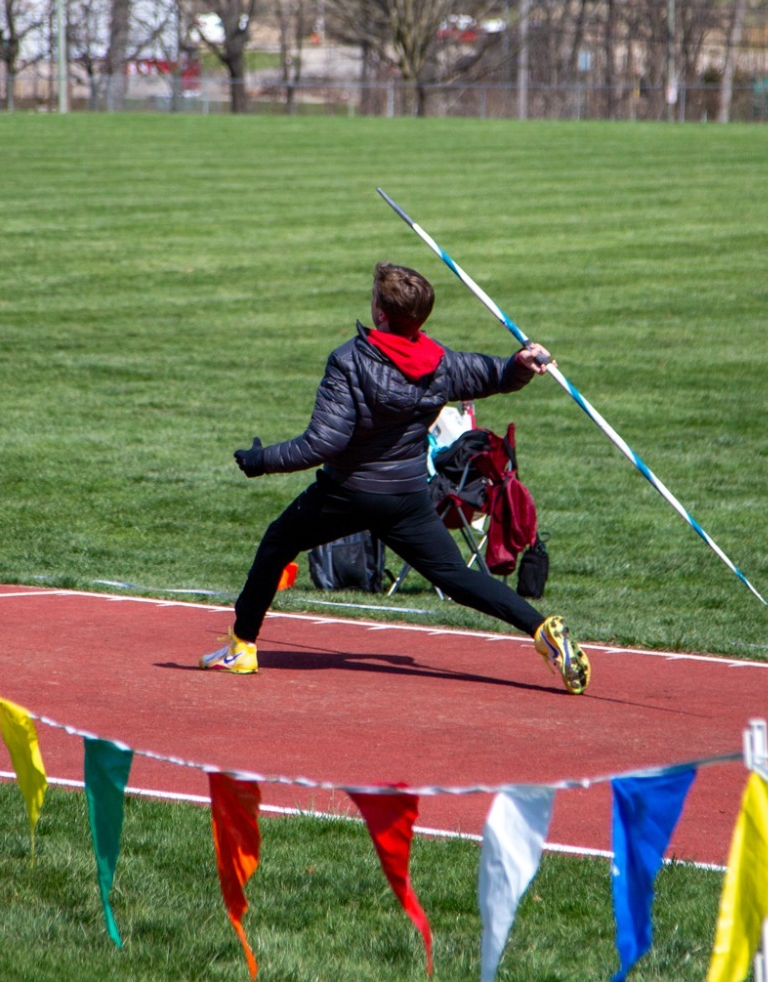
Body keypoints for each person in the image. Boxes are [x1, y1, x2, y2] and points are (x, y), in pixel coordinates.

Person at [201, 262, 591, 694]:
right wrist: (520, 363)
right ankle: (541, 630)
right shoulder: (440, 361)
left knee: (278, 542)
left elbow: (321, 445)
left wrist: (260, 460)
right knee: (456, 578)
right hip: (407, 496)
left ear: (381, 313)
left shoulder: (349, 360)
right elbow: (496, 375)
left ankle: (242, 647)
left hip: (348, 492)